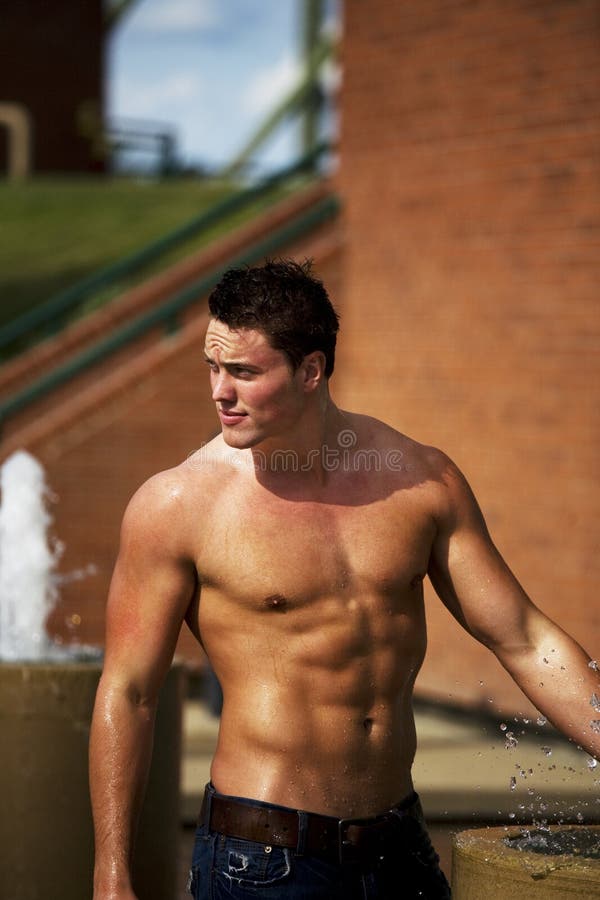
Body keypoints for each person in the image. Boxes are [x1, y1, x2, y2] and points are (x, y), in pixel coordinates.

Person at [89, 259, 599, 900]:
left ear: (311, 371)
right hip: (262, 857)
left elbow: (524, 638)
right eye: (213, 368)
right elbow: (130, 691)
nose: (220, 391)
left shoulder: (419, 482)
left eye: (244, 372)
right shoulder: (176, 506)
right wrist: (112, 873)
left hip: (396, 846)